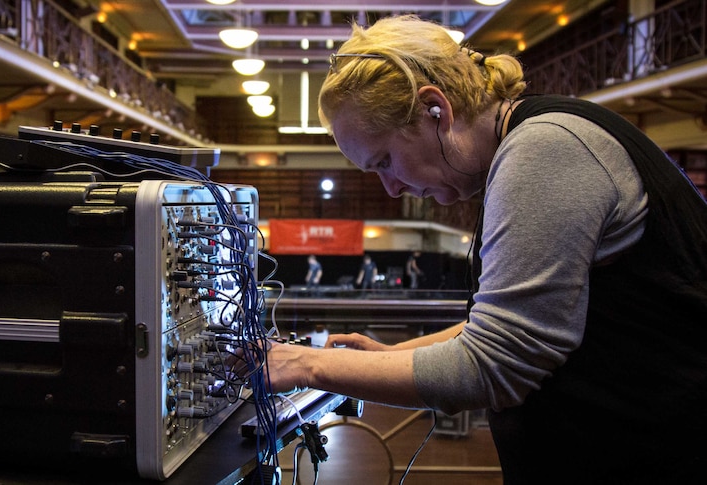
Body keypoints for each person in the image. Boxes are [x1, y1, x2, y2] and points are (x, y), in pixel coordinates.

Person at [261, 14, 707, 484]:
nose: (390, 189)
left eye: (385, 161)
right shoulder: (532, 142)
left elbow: (496, 364)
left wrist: (309, 364)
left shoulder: (545, 150)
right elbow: (506, 324)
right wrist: (383, 359)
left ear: (436, 108)